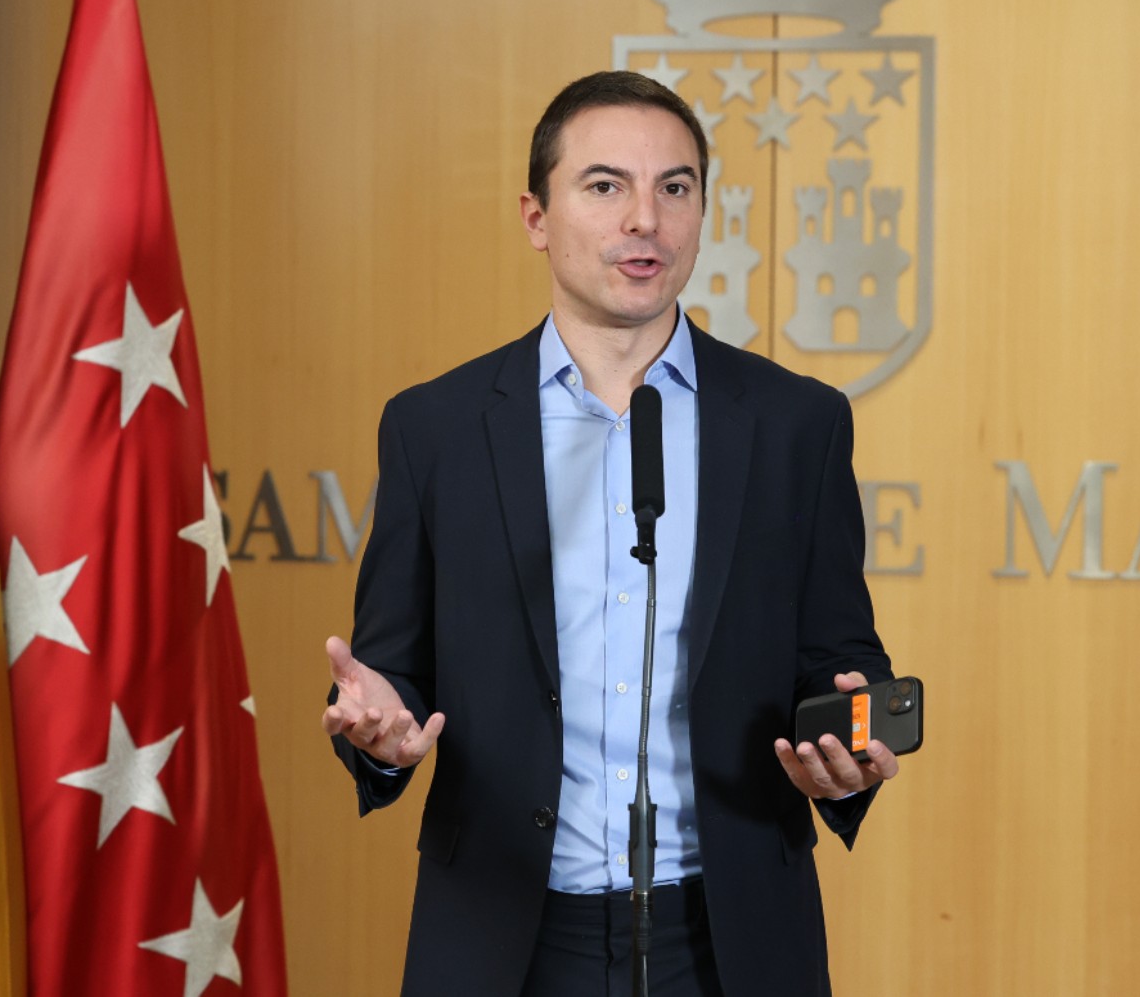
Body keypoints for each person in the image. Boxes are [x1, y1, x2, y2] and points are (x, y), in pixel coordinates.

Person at [322, 70, 903, 997]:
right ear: (536, 216)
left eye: (675, 188)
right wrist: (377, 734)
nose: (646, 220)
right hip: (503, 931)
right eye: (605, 186)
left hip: (728, 934)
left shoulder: (797, 423)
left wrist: (848, 752)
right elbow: (394, 671)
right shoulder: (436, 427)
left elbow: (837, 655)